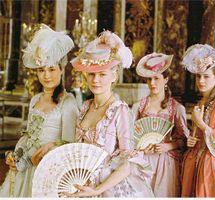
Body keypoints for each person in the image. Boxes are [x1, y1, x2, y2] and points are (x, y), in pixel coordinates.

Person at [65, 30, 154, 197]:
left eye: (102, 74)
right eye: (91, 74)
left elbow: (127, 164)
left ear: (114, 76)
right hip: (81, 183)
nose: (95, 80)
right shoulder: (85, 107)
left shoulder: (119, 110)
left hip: (108, 188)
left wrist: (97, 190)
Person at [0, 24, 78, 197]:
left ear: (61, 70)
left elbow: (70, 142)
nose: (46, 76)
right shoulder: (35, 99)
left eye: (51, 69)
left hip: (48, 169)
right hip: (25, 168)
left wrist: (51, 146)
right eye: (41, 70)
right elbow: (27, 135)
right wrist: (16, 155)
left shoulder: (68, 102)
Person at [132, 52, 189, 197]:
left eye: (156, 78)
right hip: (143, 161)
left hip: (166, 163)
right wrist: (141, 148)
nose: (152, 83)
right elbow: (130, 136)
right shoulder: (138, 107)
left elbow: (184, 140)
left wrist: (167, 146)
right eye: (149, 79)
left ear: (166, 79)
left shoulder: (177, 109)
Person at [181, 44, 215, 197]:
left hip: (213, 170)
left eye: (206, 76)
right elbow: (200, 138)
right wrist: (191, 140)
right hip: (196, 165)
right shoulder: (201, 103)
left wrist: (202, 125)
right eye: (198, 76)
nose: (201, 81)